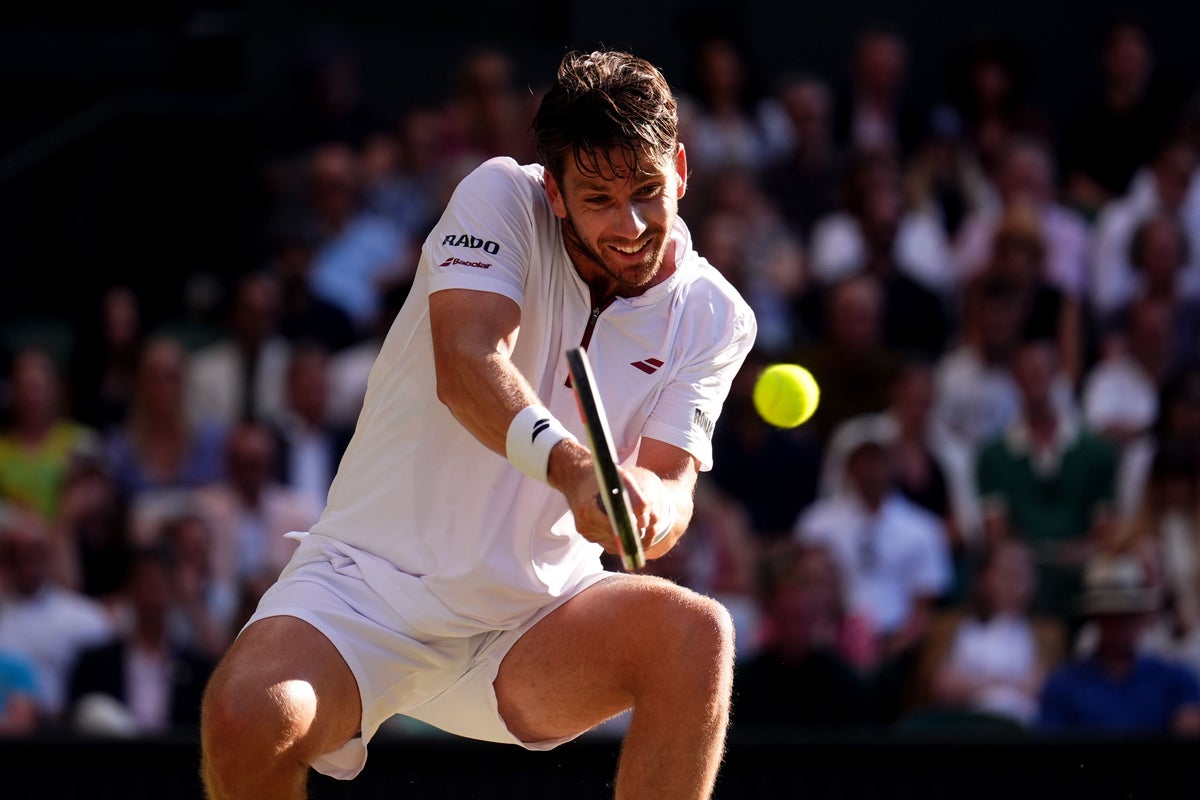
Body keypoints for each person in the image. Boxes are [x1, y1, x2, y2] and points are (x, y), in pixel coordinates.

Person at [200, 49, 757, 800]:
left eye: (649, 192)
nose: (630, 227)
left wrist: (653, 509)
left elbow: (672, 478)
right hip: (367, 588)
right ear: (555, 194)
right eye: (598, 199)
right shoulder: (498, 194)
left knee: (697, 637)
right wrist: (571, 468)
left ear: (681, 170)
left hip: (535, 619)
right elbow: (466, 364)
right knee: (244, 715)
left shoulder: (717, 314)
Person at [1038, 552, 1200, 734]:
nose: (1118, 626)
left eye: (1125, 616)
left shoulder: (1176, 680)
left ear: (1140, 618)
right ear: (1097, 619)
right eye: (1110, 617)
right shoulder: (1064, 684)